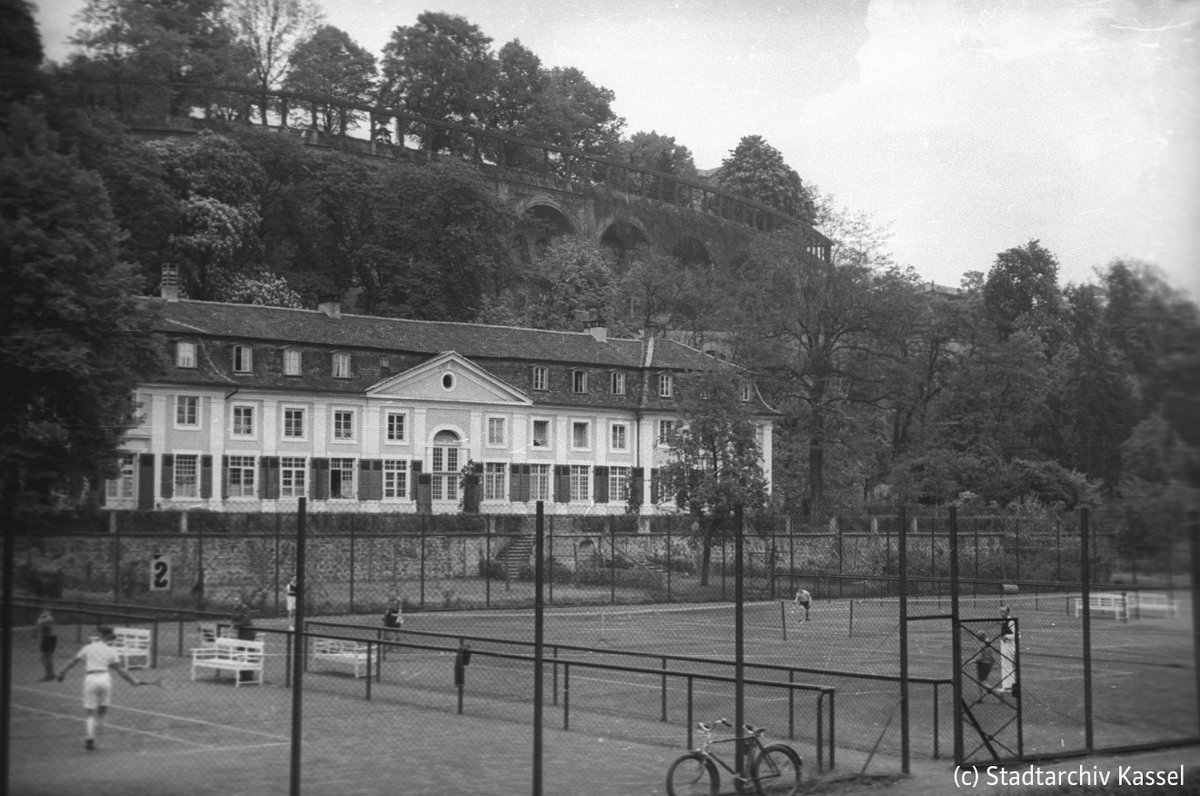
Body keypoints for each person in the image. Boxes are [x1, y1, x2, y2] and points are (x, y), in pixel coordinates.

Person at [56, 626, 144, 751]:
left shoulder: (88, 648)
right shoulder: (111, 651)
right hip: (104, 678)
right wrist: (132, 682)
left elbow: (73, 662)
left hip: (90, 679)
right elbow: (120, 670)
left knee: (90, 713)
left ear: (99, 636)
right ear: (110, 637)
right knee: (102, 713)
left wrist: (62, 673)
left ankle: (90, 737)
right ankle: (98, 739)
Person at [35, 606, 58, 681]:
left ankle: (48, 675)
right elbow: (39, 625)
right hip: (47, 637)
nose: (44, 612)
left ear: (49, 611)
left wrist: (41, 617)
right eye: (44, 610)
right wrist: (41, 617)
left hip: (48, 638)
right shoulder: (46, 618)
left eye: (46, 610)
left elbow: (39, 623)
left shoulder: (49, 618)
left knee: (46, 657)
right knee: (46, 657)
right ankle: (51, 674)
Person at [997, 606, 1016, 694]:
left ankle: (1007, 687)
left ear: (1008, 612)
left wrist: (1006, 636)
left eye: (1004, 611)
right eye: (1001, 611)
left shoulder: (1010, 621)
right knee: (1006, 666)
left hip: (1009, 646)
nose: (1002, 613)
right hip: (1004, 646)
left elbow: (1017, 635)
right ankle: (1010, 686)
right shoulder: (1004, 621)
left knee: (1007, 666)